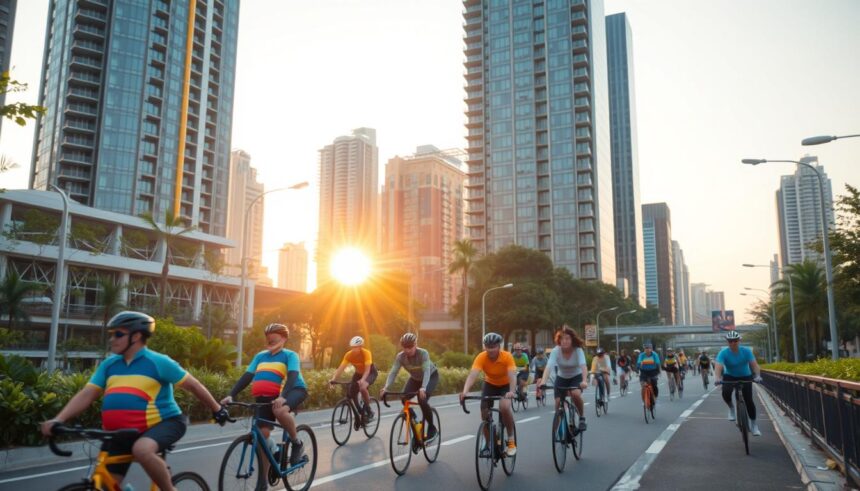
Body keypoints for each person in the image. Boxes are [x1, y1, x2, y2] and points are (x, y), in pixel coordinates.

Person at [41, 311, 230, 491]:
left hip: (165, 424)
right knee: (106, 484)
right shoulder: (109, 365)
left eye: (118, 334)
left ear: (137, 336)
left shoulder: (158, 361)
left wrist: (217, 409)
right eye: (111, 334)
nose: (112, 339)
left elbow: (194, 385)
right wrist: (59, 419)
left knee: (142, 450)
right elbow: (87, 394)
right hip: (121, 433)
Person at [221, 323, 307, 467]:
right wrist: (231, 395)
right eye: (268, 337)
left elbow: (292, 377)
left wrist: (283, 396)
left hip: (294, 390)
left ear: (284, 338)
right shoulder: (260, 356)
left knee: (279, 410)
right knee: (262, 437)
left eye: (275, 337)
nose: (270, 340)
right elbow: (247, 376)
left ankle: (296, 442)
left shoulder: (290, 355)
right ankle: (265, 478)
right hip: (267, 397)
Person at [460, 332, 518, 457]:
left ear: (499, 346)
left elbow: (512, 375)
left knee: (504, 407)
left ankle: (511, 440)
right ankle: (488, 444)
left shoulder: (507, 356)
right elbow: (473, 375)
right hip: (490, 384)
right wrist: (465, 391)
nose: (491, 350)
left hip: (505, 385)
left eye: (494, 347)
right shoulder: (481, 357)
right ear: (485, 347)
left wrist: (512, 391)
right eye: (488, 347)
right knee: (484, 411)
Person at [380, 333, 440, 441]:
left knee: (422, 400)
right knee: (404, 397)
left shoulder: (423, 353)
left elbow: (426, 372)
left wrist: (423, 387)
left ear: (415, 344)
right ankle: (416, 425)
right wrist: (386, 387)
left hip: (430, 377)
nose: (407, 350)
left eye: (410, 347)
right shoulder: (400, 357)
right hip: (415, 379)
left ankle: (432, 427)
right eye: (405, 347)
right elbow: (393, 372)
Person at [715, 330, 763, 436]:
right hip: (730, 376)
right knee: (726, 392)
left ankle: (754, 425)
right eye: (730, 341)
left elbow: (754, 365)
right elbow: (718, 366)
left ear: (739, 341)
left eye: (735, 341)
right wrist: (718, 378)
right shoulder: (723, 352)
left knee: (749, 400)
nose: (733, 343)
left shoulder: (746, 351)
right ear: (727, 342)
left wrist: (758, 376)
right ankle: (732, 408)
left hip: (746, 375)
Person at [542, 325, 589, 431]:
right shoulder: (555, 351)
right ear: (559, 340)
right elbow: (549, 366)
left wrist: (585, 381)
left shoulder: (578, 350)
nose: (565, 341)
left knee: (575, 394)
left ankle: (581, 418)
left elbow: (583, 366)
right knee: (558, 402)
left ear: (572, 340)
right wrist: (543, 382)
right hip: (561, 377)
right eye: (562, 339)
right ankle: (556, 432)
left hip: (576, 376)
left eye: (567, 338)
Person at [329, 335, 377, 423]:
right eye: (353, 347)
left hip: (370, 373)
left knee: (362, 387)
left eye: (356, 347)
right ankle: (360, 412)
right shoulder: (349, 355)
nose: (354, 349)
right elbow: (340, 368)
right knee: (351, 393)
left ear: (361, 347)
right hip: (358, 374)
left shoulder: (366, 353)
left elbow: (367, 370)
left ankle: (369, 411)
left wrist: (362, 380)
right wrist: (333, 379)